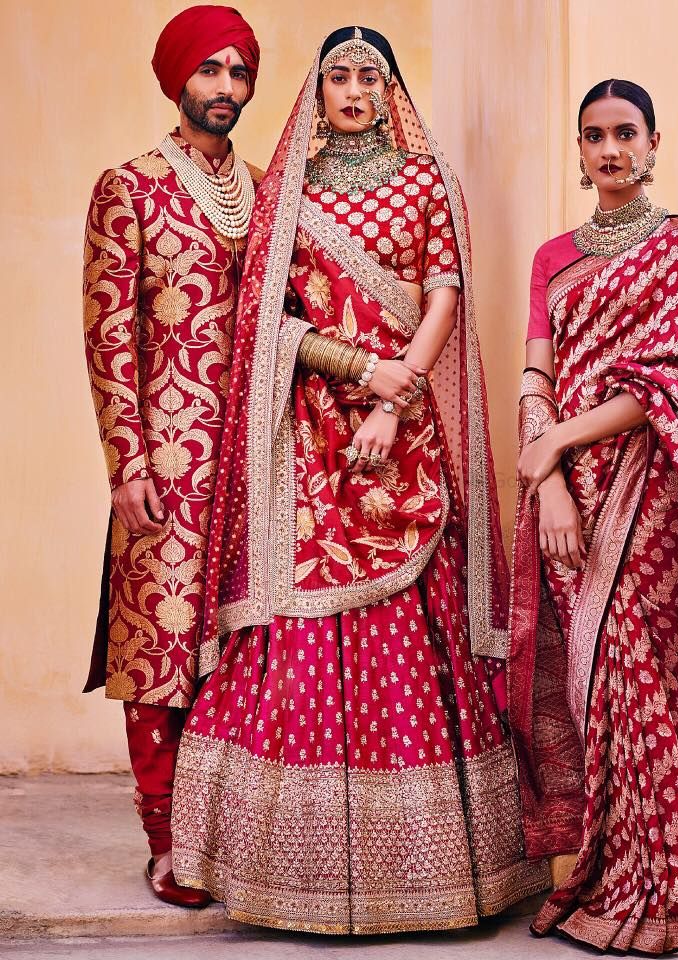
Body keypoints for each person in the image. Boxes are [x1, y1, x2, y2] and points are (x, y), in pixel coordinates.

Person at [170, 26, 549, 934]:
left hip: (403, 432)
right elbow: (269, 320)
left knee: (417, 626)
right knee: (301, 624)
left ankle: (430, 878)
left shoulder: (428, 182)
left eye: (367, 78)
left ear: (389, 93)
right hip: (307, 439)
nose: (351, 90)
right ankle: (286, 871)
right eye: (336, 75)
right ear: (318, 89)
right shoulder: (283, 191)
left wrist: (397, 393)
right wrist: (353, 371)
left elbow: (446, 295)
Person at [508, 79, 678, 954]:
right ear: (578, 151)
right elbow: (536, 375)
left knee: (644, 675)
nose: (609, 150)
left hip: (655, 486)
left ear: (654, 143)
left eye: (625, 134)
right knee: (595, 688)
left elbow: (674, 384)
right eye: (593, 137)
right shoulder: (551, 257)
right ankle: (610, 879)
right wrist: (548, 482)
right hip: (573, 491)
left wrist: (557, 443)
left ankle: (669, 895)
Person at [81, 4, 262, 907]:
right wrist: (128, 465)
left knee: (243, 646)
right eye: (209, 71)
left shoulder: (268, 192)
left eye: (237, 71)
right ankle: (165, 841)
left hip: (258, 460)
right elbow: (109, 335)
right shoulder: (131, 187)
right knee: (159, 649)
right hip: (168, 459)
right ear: (177, 79)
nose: (224, 87)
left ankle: (230, 834)